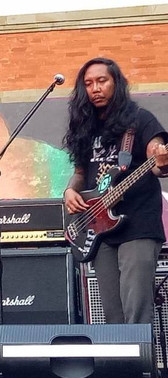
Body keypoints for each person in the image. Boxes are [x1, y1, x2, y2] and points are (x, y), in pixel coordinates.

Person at [63, 57, 168, 324]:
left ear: (116, 83)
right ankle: (120, 354)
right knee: (113, 316)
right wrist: (69, 192)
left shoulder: (140, 120)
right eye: (88, 83)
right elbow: (80, 173)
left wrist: (161, 161)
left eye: (102, 81)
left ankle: (142, 354)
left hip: (138, 225)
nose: (95, 88)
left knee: (136, 311)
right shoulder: (85, 127)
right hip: (100, 229)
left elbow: (156, 163)